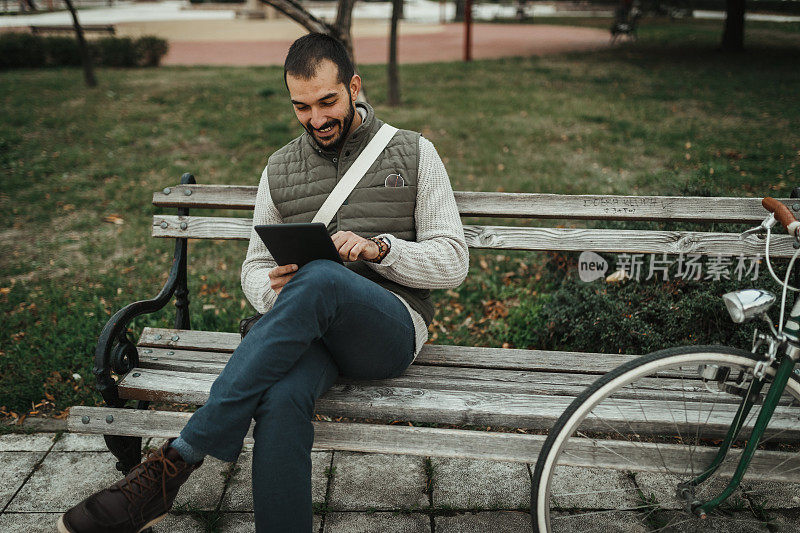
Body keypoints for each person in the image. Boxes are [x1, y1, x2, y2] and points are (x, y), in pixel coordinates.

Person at [58, 32, 468, 533]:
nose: (316, 119)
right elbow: (253, 269)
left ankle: (178, 460)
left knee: (320, 277)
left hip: (386, 331)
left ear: (354, 86)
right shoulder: (278, 169)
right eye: (301, 107)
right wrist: (273, 287)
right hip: (308, 331)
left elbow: (453, 262)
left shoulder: (413, 152)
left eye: (328, 101)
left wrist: (382, 249)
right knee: (279, 399)